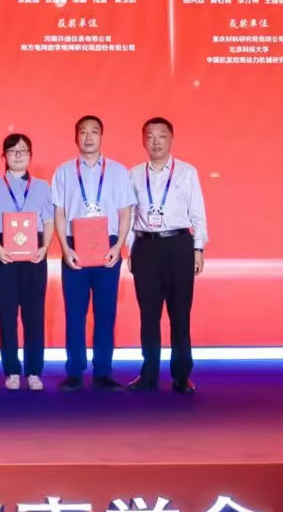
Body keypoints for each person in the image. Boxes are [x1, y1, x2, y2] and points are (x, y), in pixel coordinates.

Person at [51, 115, 135, 391]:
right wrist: (65, 248)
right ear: (75, 137)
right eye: (83, 132)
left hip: (108, 245)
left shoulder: (118, 171)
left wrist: (118, 246)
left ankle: (103, 372)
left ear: (102, 136)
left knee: (105, 311)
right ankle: (75, 371)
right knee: (75, 312)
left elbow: (125, 212)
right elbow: (59, 213)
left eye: (94, 132)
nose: (88, 137)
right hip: (74, 244)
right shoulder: (64, 171)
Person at [129, 117, 209, 394]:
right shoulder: (133, 174)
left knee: (180, 313)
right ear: (143, 140)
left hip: (178, 245)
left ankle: (181, 375)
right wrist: (130, 249)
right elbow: (129, 216)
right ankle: (148, 374)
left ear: (171, 139)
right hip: (146, 247)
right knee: (148, 315)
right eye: (150, 136)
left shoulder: (187, 172)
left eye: (161, 136)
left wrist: (198, 248)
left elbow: (198, 212)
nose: (156, 142)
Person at [0, 132, 56, 392]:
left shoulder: (42, 187)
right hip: (4, 253)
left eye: (23, 150)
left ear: (30, 155)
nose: (18, 155)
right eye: (12, 151)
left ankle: (34, 371)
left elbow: (48, 220)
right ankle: (11, 370)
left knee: (34, 315)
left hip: (34, 253)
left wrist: (45, 247)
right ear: (4, 156)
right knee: (6, 314)